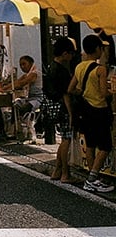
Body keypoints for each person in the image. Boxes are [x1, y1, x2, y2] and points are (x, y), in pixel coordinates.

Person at [67, 34, 114, 193]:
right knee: (106, 146)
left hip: (86, 111)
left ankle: (92, 178)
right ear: (97, 49)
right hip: (99, 110)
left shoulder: (79, 67)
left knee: (91, 145)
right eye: (102, 48)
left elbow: (71, 89)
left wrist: (84, 92)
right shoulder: (100, 69)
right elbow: (103, 93)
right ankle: (92, 178)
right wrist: (110, 93)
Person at [43, 37, 76, 183]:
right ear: (64, 53)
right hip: (63, 108)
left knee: (63, 139)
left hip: (53, 107)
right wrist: (70, 114)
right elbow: (66, 94)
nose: (72, 56)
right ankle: (65, 173)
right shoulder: (61, 71)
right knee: (66, 140)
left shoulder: (51, 67)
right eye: (70, 53)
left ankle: (57, 170)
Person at [1, 55, 43, 141]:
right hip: (29, 98)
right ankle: (13, 130)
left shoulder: (34, 73)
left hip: (38, 99)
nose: (22, 67)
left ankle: (29, 130)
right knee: (15, 105)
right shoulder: (26, 75)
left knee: (25, 108)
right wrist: (3, 89)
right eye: (21, 65)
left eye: (24, 64)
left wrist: (3, 89)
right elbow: (16, 82)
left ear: (31, 63)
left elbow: (20, 84)